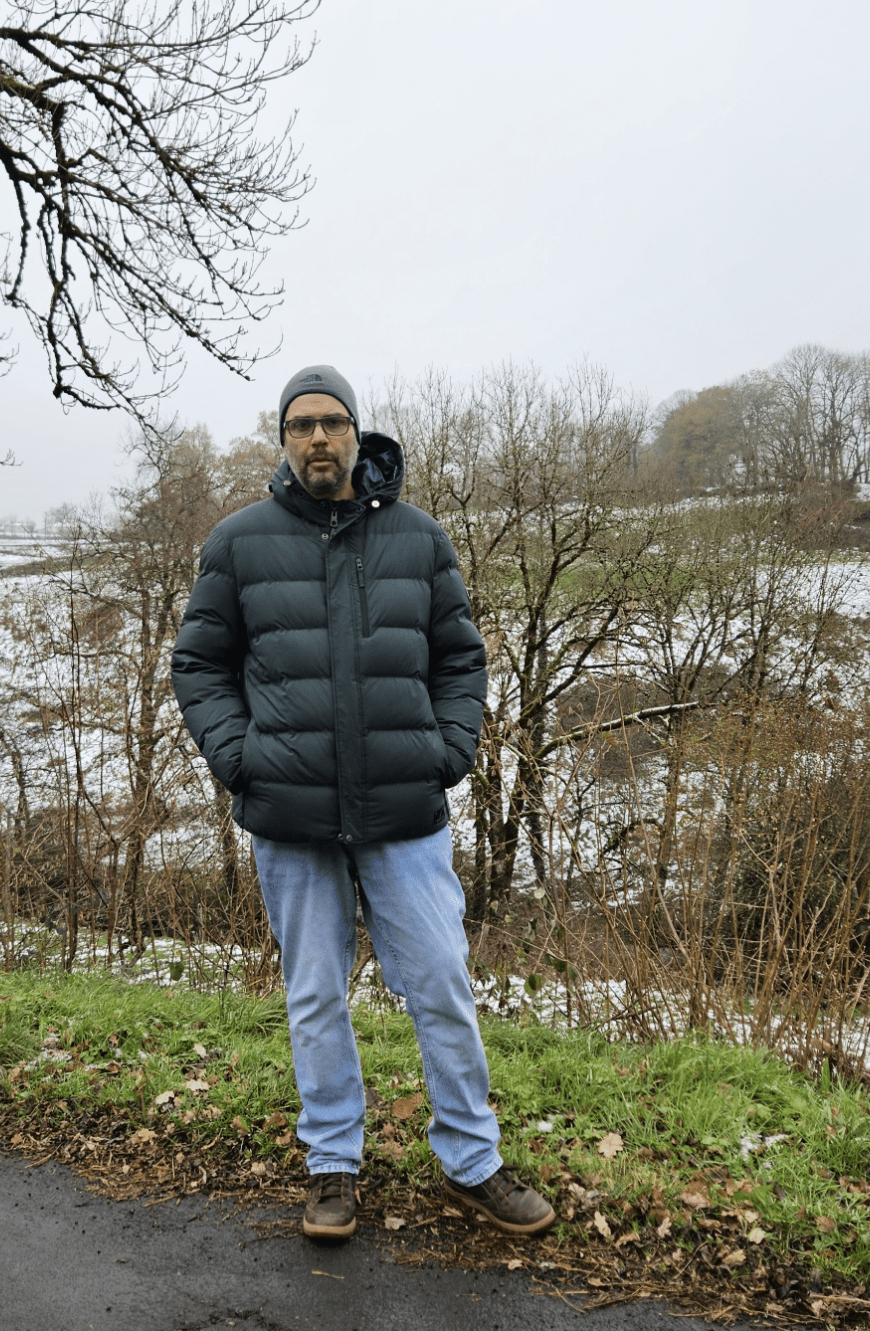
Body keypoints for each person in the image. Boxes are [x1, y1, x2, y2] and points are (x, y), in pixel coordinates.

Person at [171, 364, 555, 1241]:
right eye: (300, 425)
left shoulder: (419, 539)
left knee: (442, 986)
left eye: (331, 422)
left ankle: (471, 1160)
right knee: (313, 994)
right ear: (282, 439)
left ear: (355, 433)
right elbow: (197, 664)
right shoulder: (237, 542)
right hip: (289, 813)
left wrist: (445, 753)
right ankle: (331, 1165)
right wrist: (243, 761)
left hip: (402, 809)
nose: (316, 438)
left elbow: (460, 660)